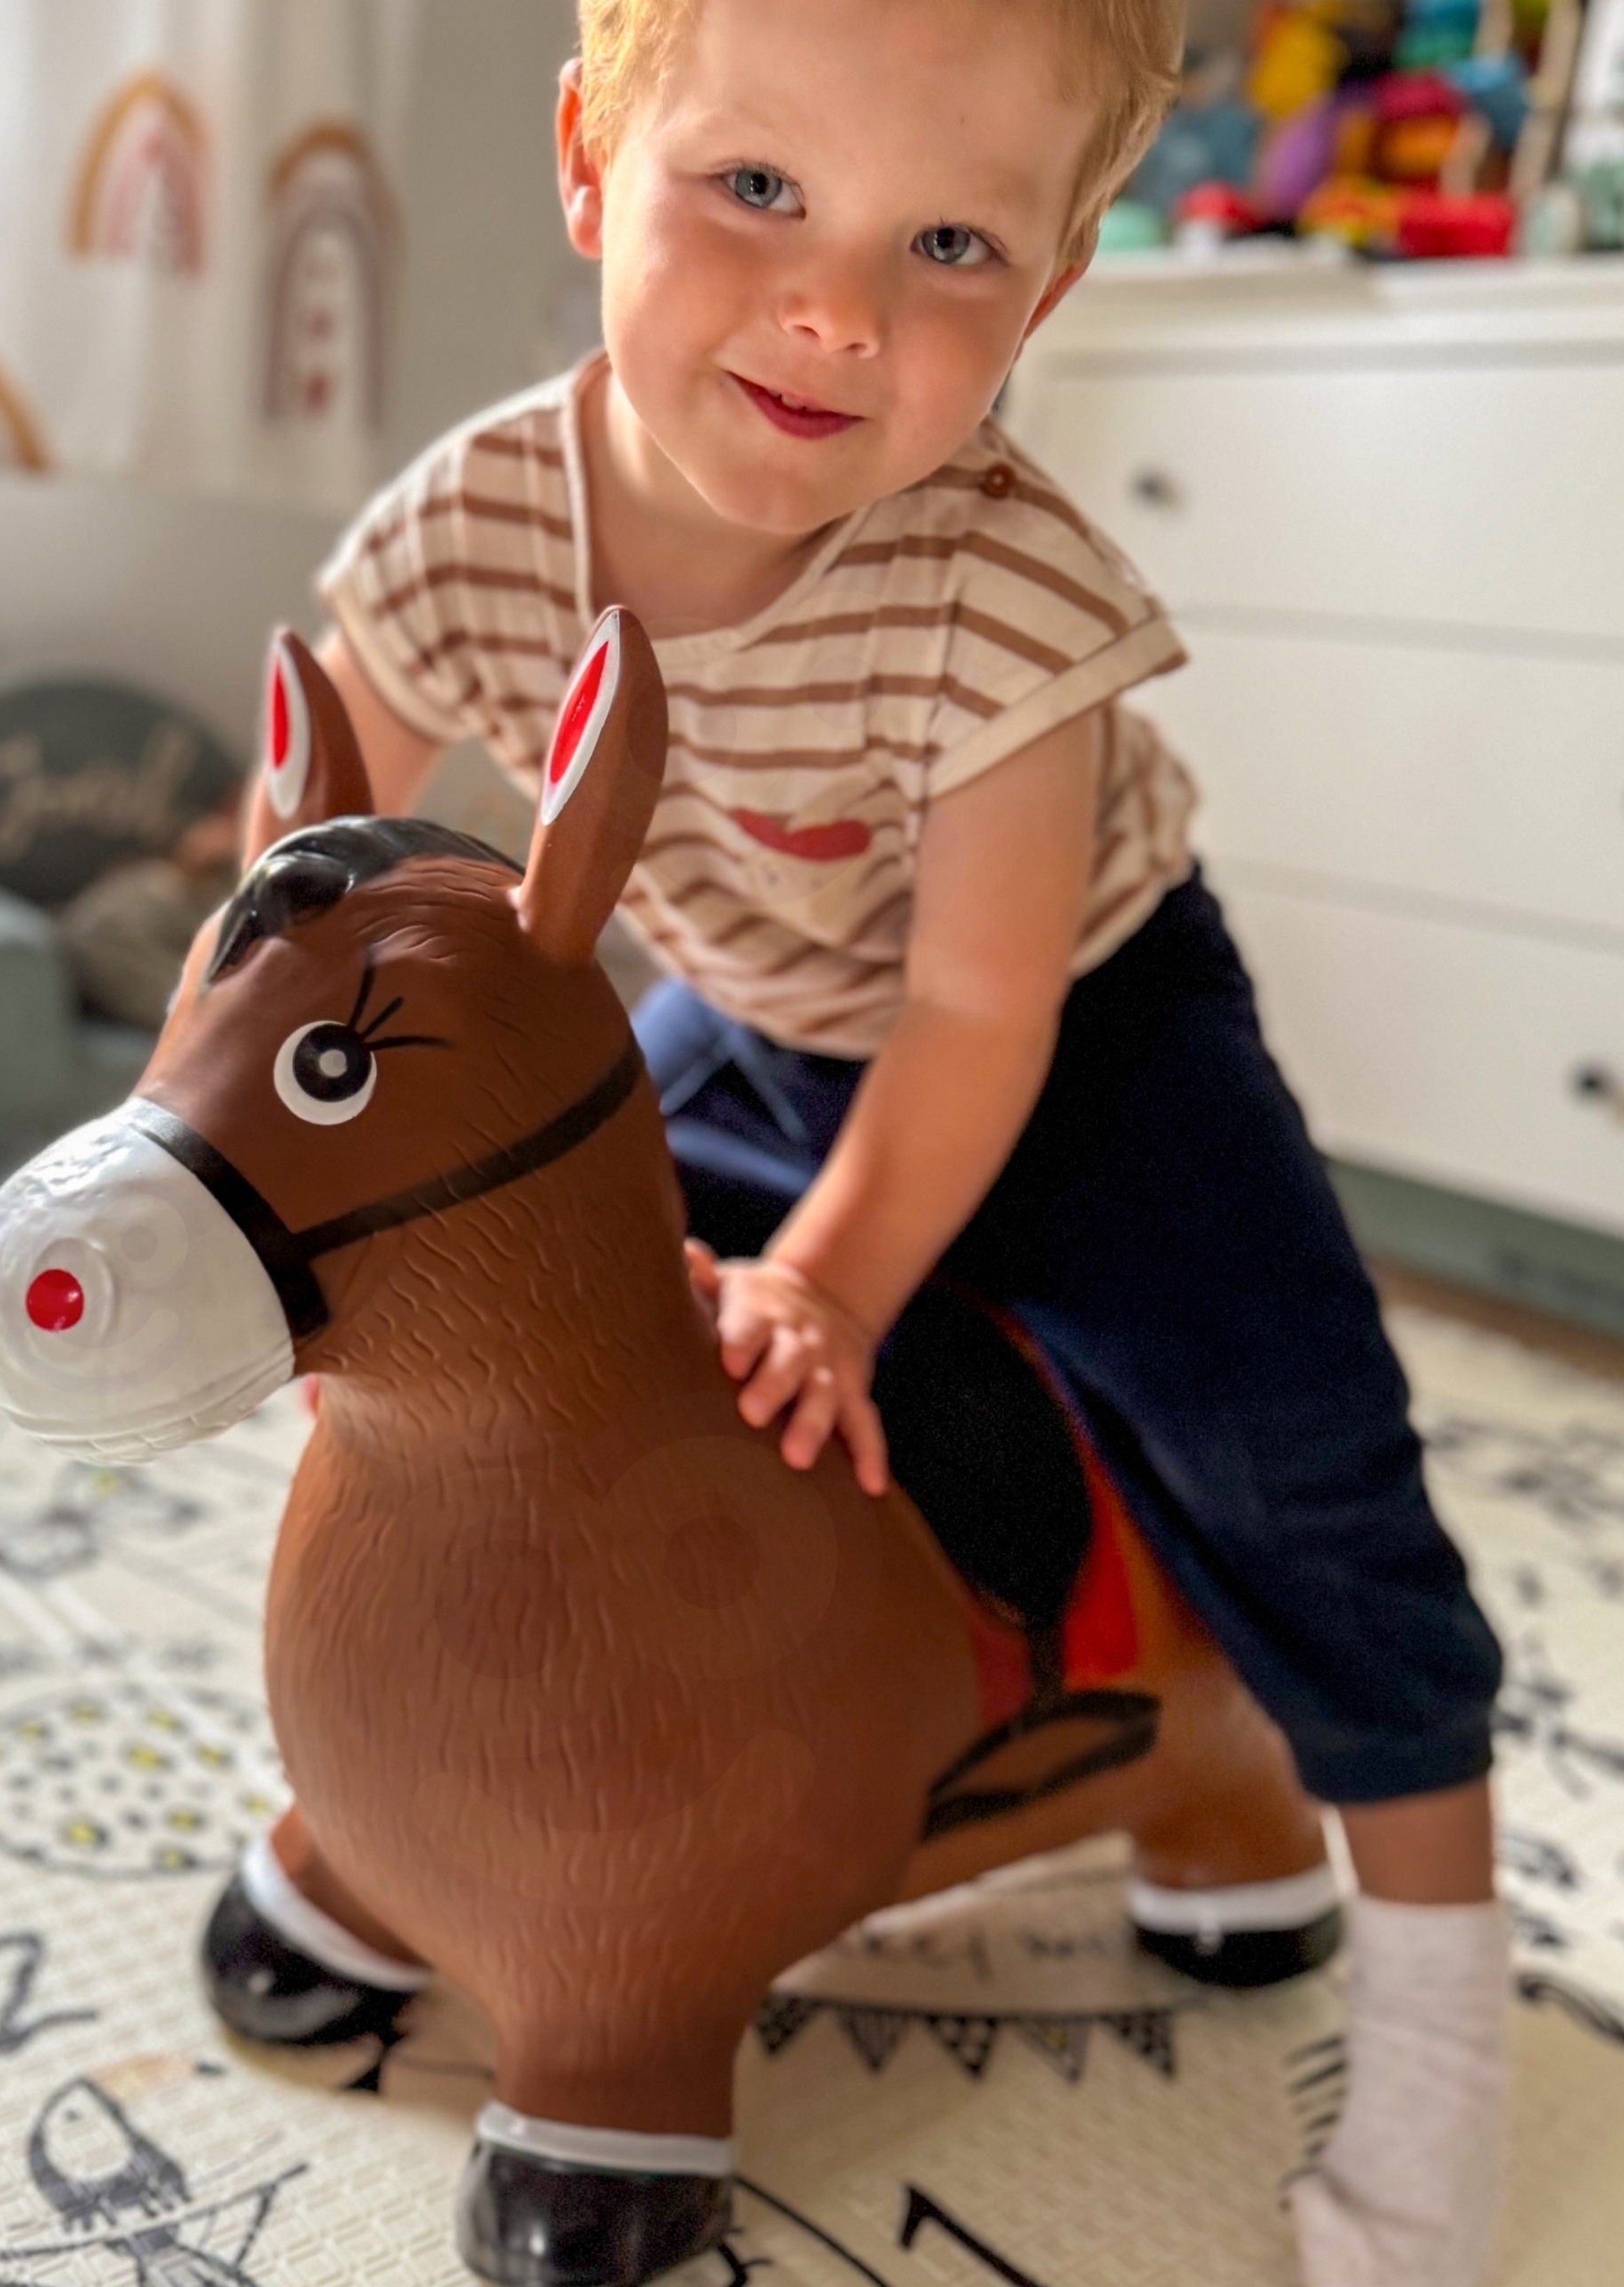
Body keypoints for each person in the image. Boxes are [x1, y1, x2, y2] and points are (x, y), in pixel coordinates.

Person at [302, 4, 1509, 2281]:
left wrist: (834, 1281)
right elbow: (317, 868)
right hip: (750, 1008)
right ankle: (400, 1798)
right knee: (508, 1301)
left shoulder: (1004, 592)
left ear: (1048, 286)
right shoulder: (469, 529)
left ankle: (1440, 1994)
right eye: (754, 188)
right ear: (587, 156)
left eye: (947, 242)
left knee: (1288, 1448)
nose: (836, 308)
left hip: (1083, 1025)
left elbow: (971, 1016)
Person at [56, 808, 245, 1034]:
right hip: (179, 891)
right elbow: (203, 846)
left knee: (98, 930)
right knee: (98, 927)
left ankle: (205, 1018)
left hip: (221, 900)